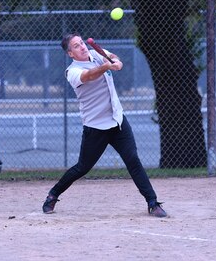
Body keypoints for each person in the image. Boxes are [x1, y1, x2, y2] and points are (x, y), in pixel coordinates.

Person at [42, 33, 167, 217]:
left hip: (118, 121)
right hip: (96, 127)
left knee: (133, 160)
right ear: (71, 54)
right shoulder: (72, 71)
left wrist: (116, 62)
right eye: (76, 46)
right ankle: (53, 194)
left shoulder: (97, 55)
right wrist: (107, 66)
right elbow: (89, 75)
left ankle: (152, 203)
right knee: (82, 168)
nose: (82, 47)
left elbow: (114, 57)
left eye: (82, 43)